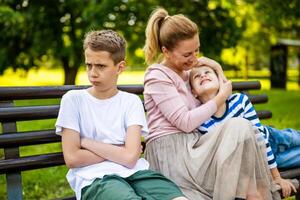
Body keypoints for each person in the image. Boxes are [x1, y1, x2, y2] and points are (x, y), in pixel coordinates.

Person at [143, 7, 278, 200]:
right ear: (166, 51)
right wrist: (221, 97)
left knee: (241, 126)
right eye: (187, 54)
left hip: (197, 149)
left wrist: (216, 67)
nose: (194, 58)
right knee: (240, 128)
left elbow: (221, 88)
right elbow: (186, 122)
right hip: (172, 156)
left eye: (196, 50)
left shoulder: (188, 73)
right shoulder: (157, 76)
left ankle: (256, 194)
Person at [55, 29, 188, 200]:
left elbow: (131, 158)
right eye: (89, 65)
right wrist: (120, 151)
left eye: (101, 66)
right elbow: (73, 158)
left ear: (120, 67)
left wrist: (85, 142)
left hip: (137, 174)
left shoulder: (130, 102)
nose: (93, 73)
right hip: (95, 179)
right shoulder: (73, 100)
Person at [189, 65, 298, 198]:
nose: (203, 75)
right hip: (260, 159)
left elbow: (261, 139)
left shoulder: (239, 101)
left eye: (207, 72)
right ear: (193, 92)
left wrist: (277, 177)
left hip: (272, 140)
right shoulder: (200, 121)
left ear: (220, 81)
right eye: (197, 76)